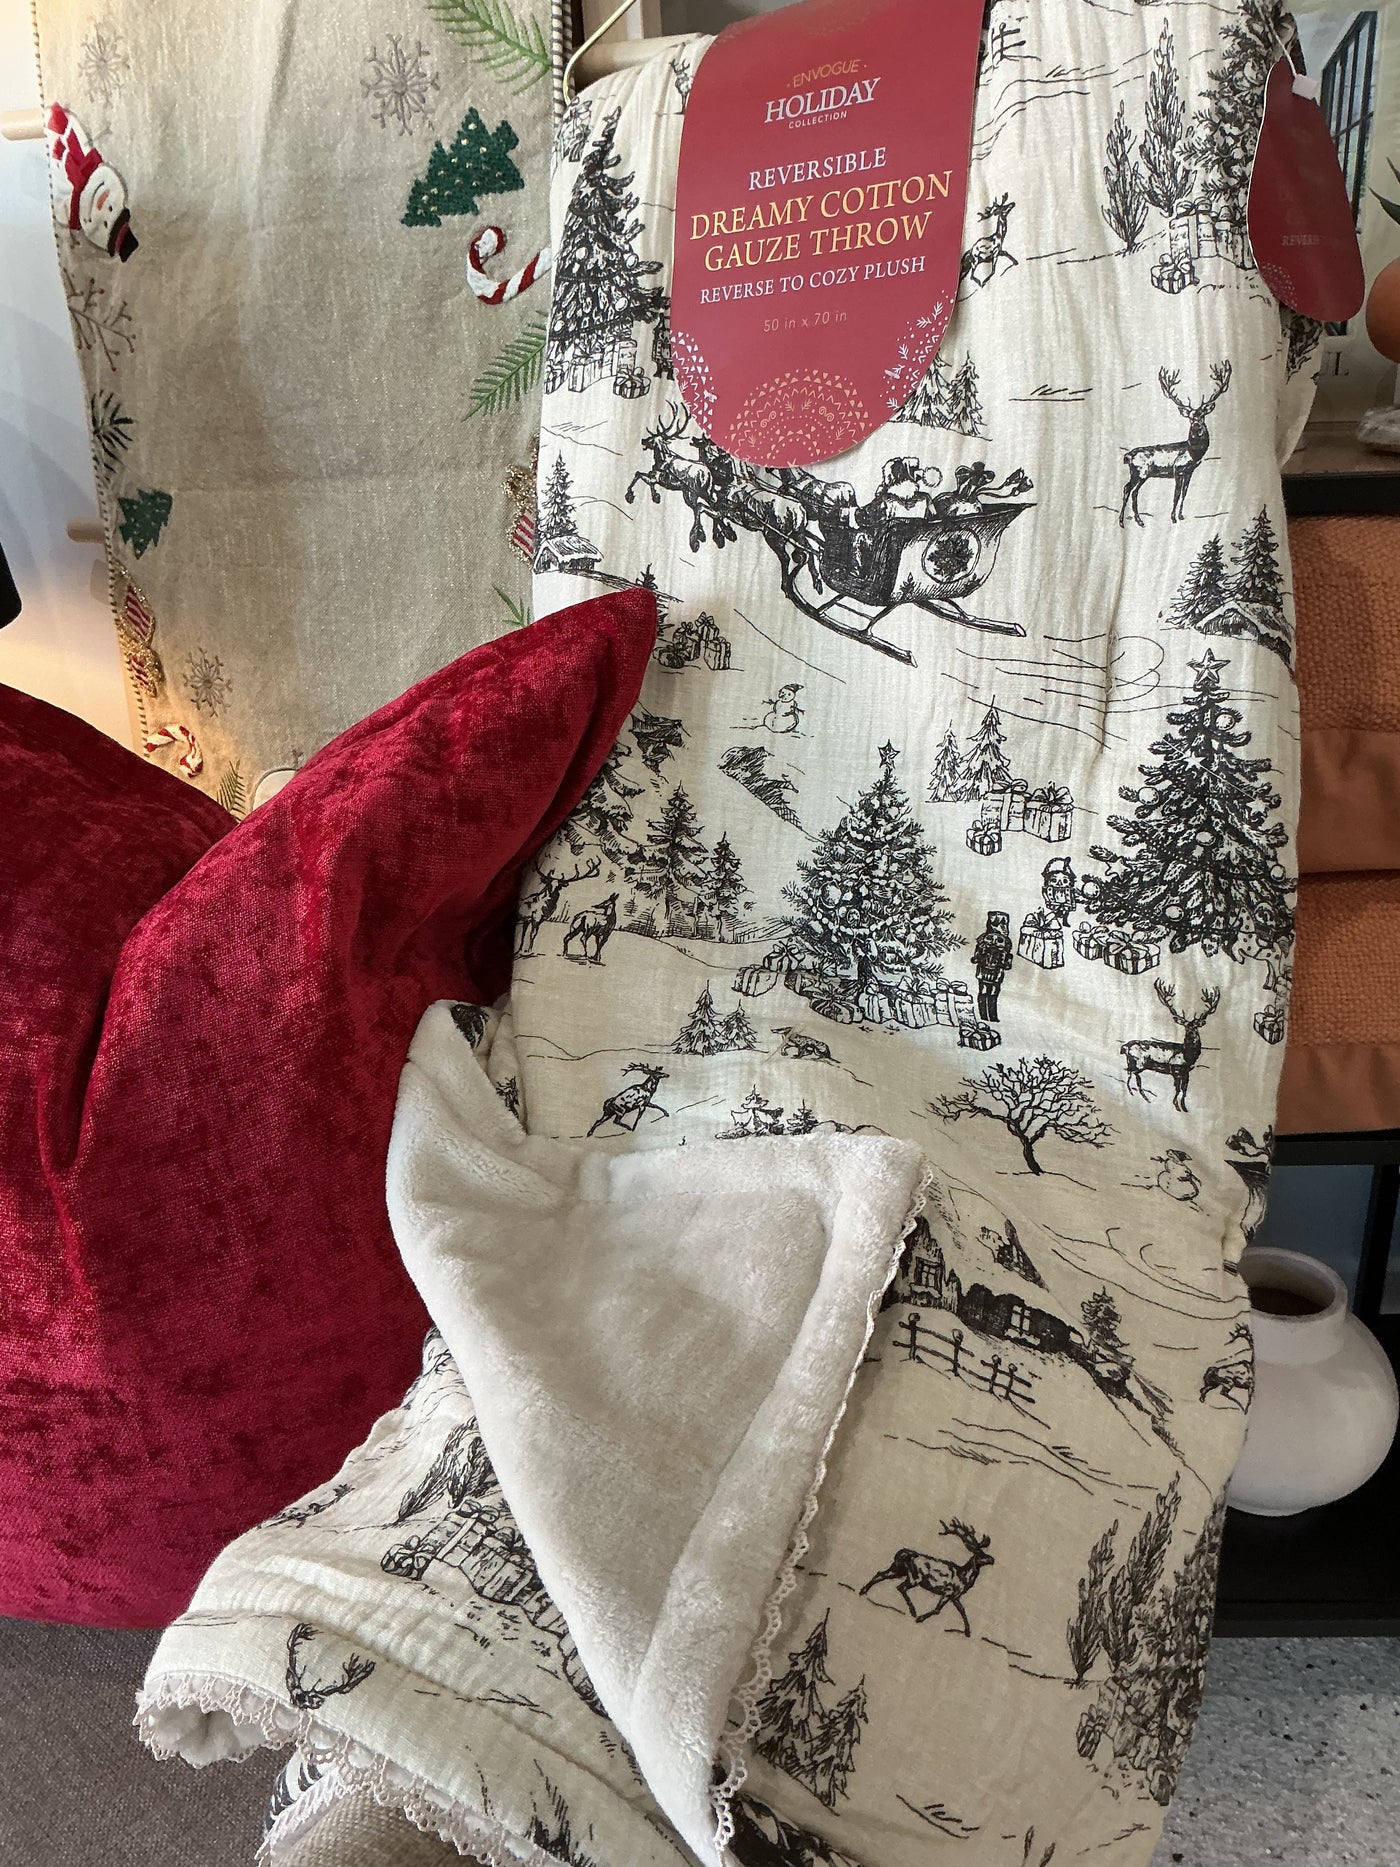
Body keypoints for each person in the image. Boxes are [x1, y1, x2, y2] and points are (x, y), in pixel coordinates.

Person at [972, 909, 1013, 1022]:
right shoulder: (982, 947)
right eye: (990, 939)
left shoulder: (1004, 952)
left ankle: (992, 1016)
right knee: (983, 991)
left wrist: (1004, 961)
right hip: (983, 972)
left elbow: (1007, 965)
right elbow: (975, 959)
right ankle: (983, 1015)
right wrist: (980, 955)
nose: (994, 942)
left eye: (998, 940)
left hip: (996, 974)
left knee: (993, 993)